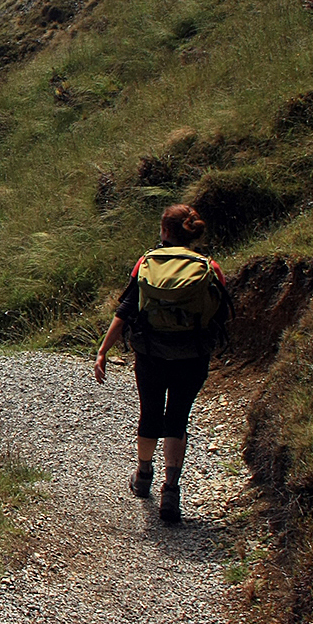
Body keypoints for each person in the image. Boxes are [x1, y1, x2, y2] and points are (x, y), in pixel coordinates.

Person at [93, 204, 227, 523]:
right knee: (178, 417)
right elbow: (219, 315)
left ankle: (143, 475)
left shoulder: (146, 263)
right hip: (192, 355)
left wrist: (103, 351)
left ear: (165, 231)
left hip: (151, 353)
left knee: (150, 412)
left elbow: (125, 310)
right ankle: (171, 490)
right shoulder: (209, 267)